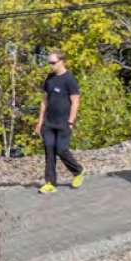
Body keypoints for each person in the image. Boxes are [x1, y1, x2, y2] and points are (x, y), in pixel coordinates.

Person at [35, 50, 85, 194]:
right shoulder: (50, 79)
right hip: (49, 123)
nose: (50, 65)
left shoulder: (69, 79)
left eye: (53, 62)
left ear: (62, 61)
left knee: (61, 150)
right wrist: (40, 121)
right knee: (49, 151)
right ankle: (50, 183)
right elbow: (44, 100)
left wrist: (71, 121)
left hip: (64, 122)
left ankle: (78, 171)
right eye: (49, 62)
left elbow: (75, 101)